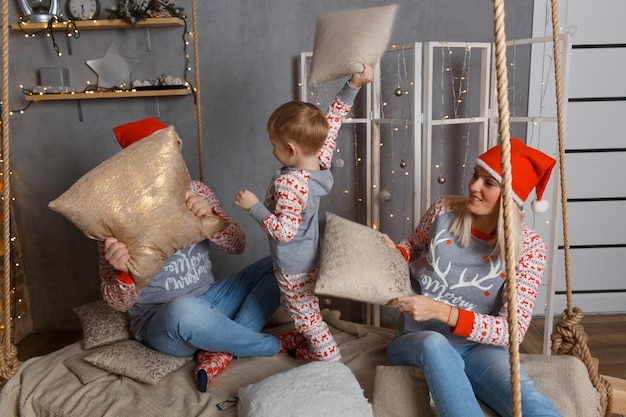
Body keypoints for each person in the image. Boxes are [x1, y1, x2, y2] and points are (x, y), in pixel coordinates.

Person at [99, 118, 302, 393]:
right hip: (164, 321)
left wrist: (211, 219)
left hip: (213, 300)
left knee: (283, 264)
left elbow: (237, 245)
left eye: (172, 152)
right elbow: (116, 301)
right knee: (183, 308)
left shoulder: (197, 190)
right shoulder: (114, 213)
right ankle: (269, 345)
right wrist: (123, 270)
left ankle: (221, 350)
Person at [385, 138, 562, 416]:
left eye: (488, 183)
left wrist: (443, 312)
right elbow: (412, 245)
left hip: (479, 349)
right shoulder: (444, 211)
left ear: (510, 198)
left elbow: (510, 332)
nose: (473, 186)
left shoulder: (529, 249)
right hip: (418, 339)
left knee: (533, 405)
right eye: (475, 176)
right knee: (434, 344)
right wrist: (394, 253)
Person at [233, 65, 374, 361]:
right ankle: (313, 342)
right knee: (307, 305)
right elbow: (333, 119)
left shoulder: (289, 184)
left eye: (274, 145)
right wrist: (354, 84)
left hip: (294, 263)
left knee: (302, 314)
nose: (272, 151)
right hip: (311, 256)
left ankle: (327, 357)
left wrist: (254, 207)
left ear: (290, 148)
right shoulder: (320, 160)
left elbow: (284, 233)